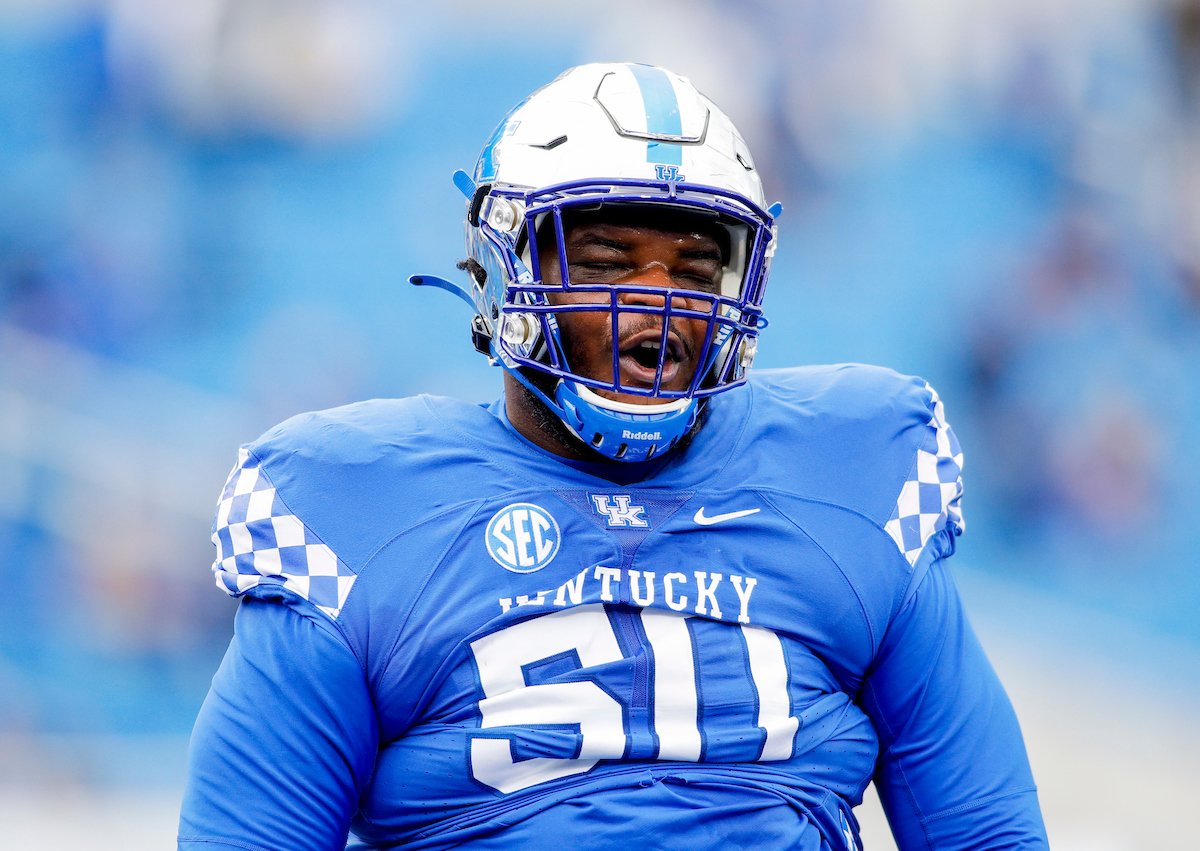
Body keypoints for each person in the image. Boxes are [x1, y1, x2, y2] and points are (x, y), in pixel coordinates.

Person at [179, 63, 1048, 851]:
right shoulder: (354, 509)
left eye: (695, 272)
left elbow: (987, 832)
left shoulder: (852, 475)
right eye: (608, 265)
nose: (658, 313)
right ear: (504, 270)